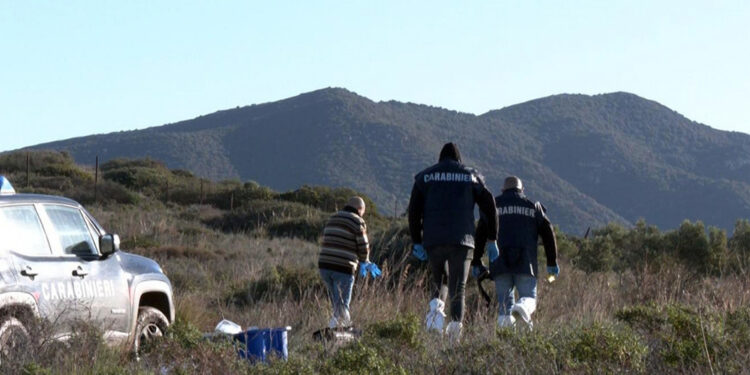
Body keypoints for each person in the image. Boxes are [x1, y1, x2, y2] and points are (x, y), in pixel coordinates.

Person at [408, 142, 498, 342]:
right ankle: (455, 334)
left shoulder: (425, 176)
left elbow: (413, 211)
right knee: (459, 287)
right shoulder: (472, 176)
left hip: (433, 240)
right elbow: (490, 206)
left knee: (438, 281)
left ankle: (434, 324)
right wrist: (493, 238)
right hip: (462, 240)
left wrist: (417, 240)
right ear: (459, 159)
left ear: (440, 158)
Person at [474, 176, 559, 329]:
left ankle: (505, 340)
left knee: (504, 307)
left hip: (499, 263)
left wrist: (476, 260)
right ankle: (523, 309)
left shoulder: (493, 206)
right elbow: (548, 233)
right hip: (526, 264)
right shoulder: (533, 207)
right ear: (522, 190)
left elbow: (480, 233)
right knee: (528, 300)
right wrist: (552, 262)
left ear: (502, 190)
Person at [318, 196, 379, 328]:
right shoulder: (358, 221)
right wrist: (365, 261)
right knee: (343, 304)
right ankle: (344, 330)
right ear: (360, 209)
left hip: (324, 266)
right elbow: (363, 245)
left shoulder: (333, 218)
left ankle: (335, 331)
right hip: (343, 267)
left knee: (336, 303)